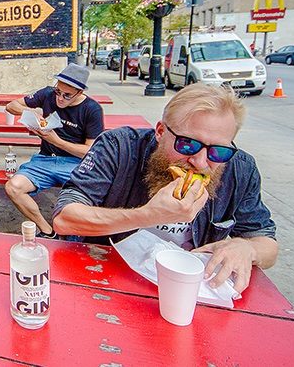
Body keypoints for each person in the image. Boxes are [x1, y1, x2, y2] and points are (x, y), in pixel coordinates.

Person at [52, 83, 278, 294]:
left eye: (217, 151)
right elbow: (65, 218)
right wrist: (148, 215)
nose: (199, 162)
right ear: (160, 132)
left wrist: (246, 249)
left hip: (187, 288)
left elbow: (266, 242)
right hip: (106, 275)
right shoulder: (119, 147)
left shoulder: (240, 169)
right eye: (187, 144)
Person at [4, 63, 104, 237]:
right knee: (13, 187)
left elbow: (90, 151)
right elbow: (11, 106)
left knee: (84, 199)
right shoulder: (48, 93)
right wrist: (29, 111)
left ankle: (72, 239)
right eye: (58, 92)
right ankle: (47, 230)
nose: (60, 98)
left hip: (75, 163)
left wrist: (57, 141)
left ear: (80, 93)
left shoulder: (92, 109)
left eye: (67, 95)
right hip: (45, 159)